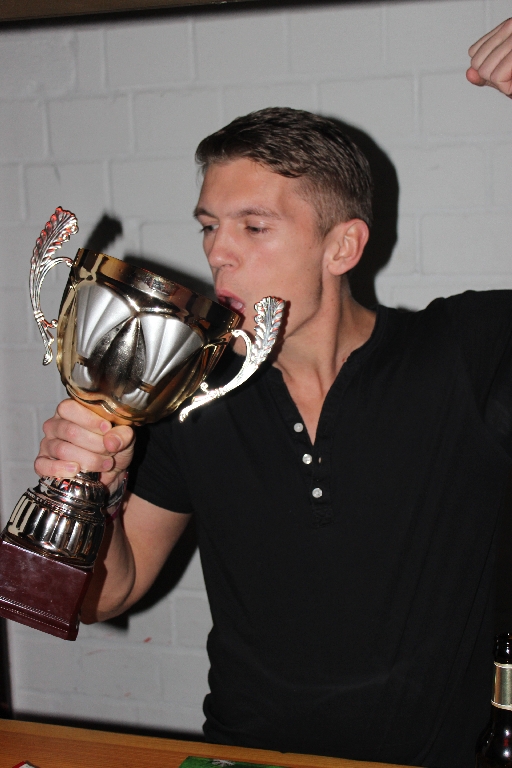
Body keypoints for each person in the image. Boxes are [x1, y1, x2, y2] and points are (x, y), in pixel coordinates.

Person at [35, 19, 512, 768]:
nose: (217, 253)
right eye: (209, 226)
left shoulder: (464, 351)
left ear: (342, 246)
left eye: (253, 227)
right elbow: (106, 596)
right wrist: (87, 495)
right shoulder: (190, 390)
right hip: (248, 759)